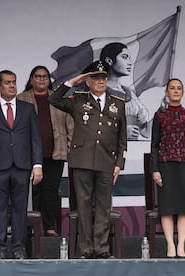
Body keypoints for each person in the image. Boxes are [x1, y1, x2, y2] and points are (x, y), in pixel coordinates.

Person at [48, 60, 127, 259]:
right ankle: (86, 249)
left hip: (106, 161)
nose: (100, 81)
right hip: (82, 160)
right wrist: (71, 83)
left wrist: (119, 164)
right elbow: (53, 100)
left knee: (103, 206)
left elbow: (122, 139)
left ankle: (101, 248)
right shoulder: (77, 99)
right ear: (88, 81)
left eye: (103, 78)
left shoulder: (118, 103)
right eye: (96, 78)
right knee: (83, 205)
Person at [0, 70, 43, 259]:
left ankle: (18, 248)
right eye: (7, 82)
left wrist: (37, 164)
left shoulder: (27, 108)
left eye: (14, 82)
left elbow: (35, 139)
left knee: (20, 209)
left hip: (22, 167)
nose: (12, 85)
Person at [17, 65, 74, 237]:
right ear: (31, 79)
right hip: (29, 155)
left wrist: (70, 145)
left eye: (45, 76)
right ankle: (31, 228)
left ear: (49, 80)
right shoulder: (21, 99)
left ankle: (50, 227)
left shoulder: (57, 98)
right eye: (38, 76)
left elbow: (70, 126)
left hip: (55, 153)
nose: (41, 79)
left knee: (50, 191)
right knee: (32, 192)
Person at [150, 78, 185, 258]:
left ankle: (181, 245)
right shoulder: (159, 116)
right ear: (166, 92)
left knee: (184, 207)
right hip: (165, 166)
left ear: (183, 92)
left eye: (179, 88)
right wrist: (154, 169)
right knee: (166, 207)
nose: (176, 91)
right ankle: (170, 245)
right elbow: (154, 146)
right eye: (172, 88)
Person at [99, 42, 151, 140]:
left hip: (131, 150)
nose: (130, 62)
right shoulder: (98, 92)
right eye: (124, 57)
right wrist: (121, 132)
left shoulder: (128, 93)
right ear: (109, 61)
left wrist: (162, 110)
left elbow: (145, 132)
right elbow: (91, 127)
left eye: (129, 58)